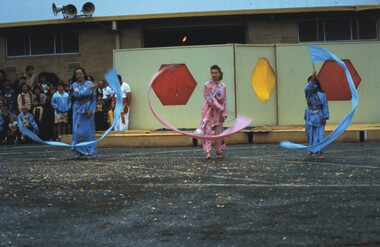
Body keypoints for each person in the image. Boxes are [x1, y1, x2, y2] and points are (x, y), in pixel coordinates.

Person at [198, 65, 228, 159]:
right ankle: (208, 151)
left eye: (216, 73)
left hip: (219, 112)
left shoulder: (223, 86)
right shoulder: (207, 85)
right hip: (209, 110)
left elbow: (225, 100)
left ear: (219, 74)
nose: (214, 74)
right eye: (212, 73)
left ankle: (219, 150)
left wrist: (224, 113)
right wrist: (218, 106)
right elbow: (208, 97)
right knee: (207, 131)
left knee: (219, 132)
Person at [71, 67, 96, 158]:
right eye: (77, 74)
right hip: (78, 110)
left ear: (84, 74)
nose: (79, 75)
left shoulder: (90, 83)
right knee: (77, 131)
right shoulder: (74, 85)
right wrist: (89, 88)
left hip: (88, 109)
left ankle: (89, 151)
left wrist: (91, 110)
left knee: (88, 131)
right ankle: (79, 151)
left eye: (80, 73)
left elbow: (94, 98)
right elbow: (79, 94)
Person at [304, 71, 329, 159]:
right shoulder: (308, 93)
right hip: (310, 115)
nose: (311, 83)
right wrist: (313, 78)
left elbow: (325, 106)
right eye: (310, 82)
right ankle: (311, 148)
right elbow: (307, 88)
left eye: (313, 81)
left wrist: (325, 117)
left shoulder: (322, 95)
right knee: (309, 133)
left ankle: (321, 152)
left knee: (320, 135)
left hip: (319, 115)